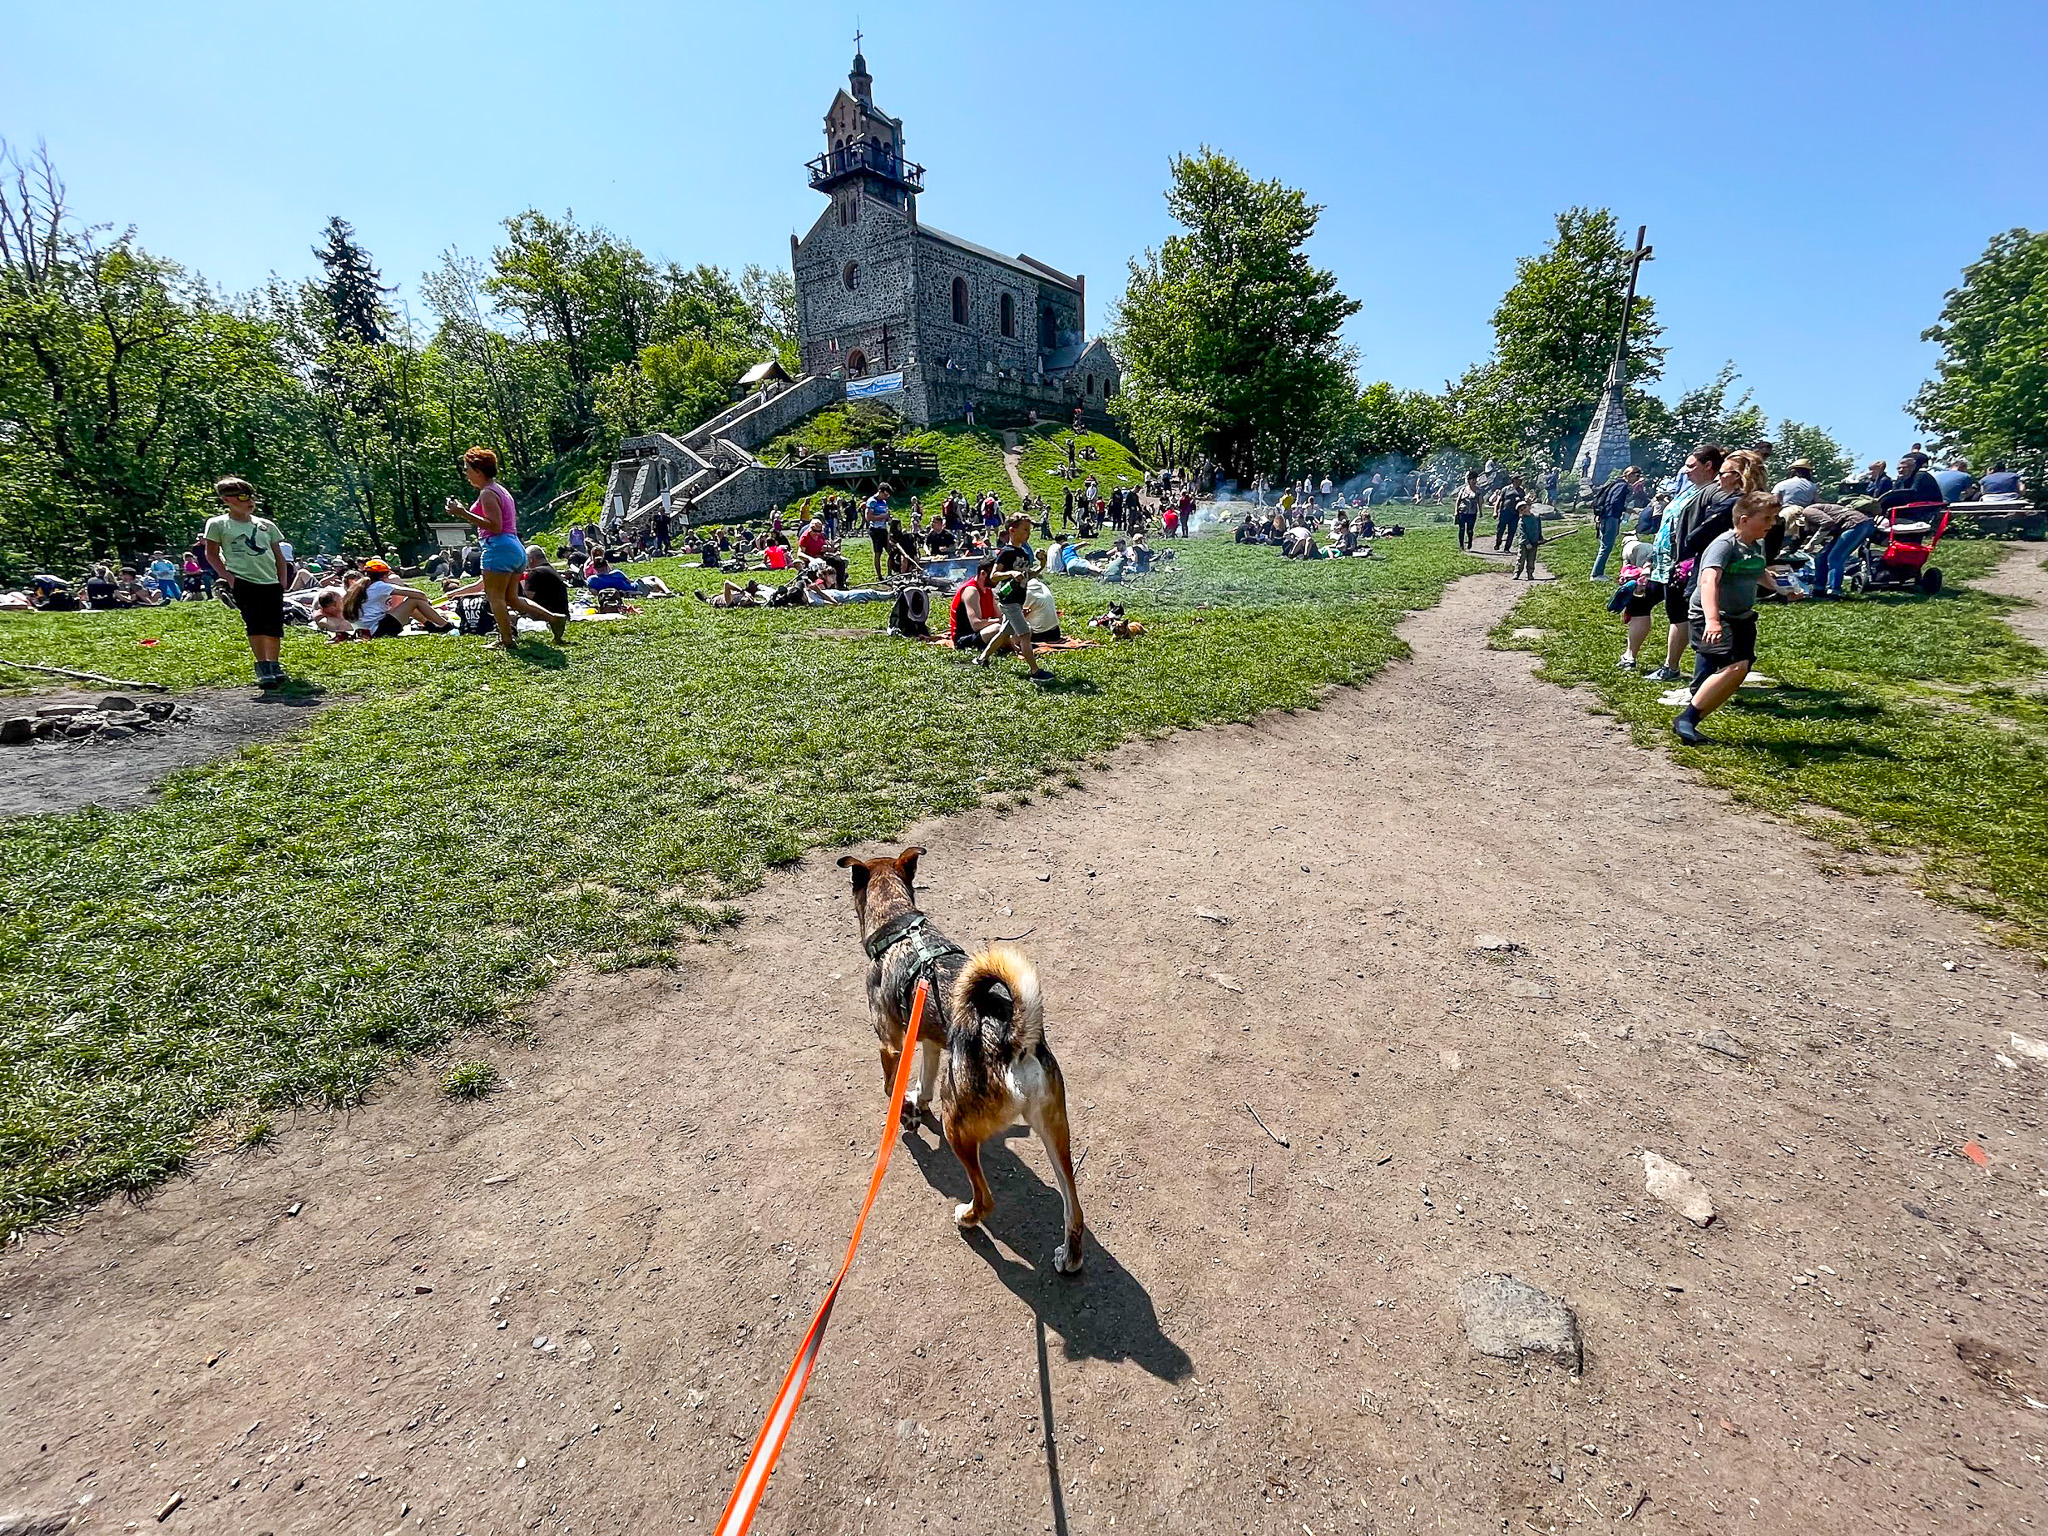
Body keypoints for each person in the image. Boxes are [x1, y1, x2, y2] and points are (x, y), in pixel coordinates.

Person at [1673, 492, 1786, 745]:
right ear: (1744, 519)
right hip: (1712, 614)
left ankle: (1691, 715)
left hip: (1742, 616)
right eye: (1766, 518)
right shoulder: (1724, 544)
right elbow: (1709, 580)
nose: (1772, 523)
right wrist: (1712, 621)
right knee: (1735, 666)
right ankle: (1687, 719)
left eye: (1774, 517)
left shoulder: (1757, 544)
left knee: (1736, 670)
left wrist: (1783, 590)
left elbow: (1757, 572)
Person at [444, 447, 566, 646]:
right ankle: (554, 618)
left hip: (499, 548)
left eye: (467, 469)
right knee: (512, 599)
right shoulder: (500, 489)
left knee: (495, 597)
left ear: (478, 471)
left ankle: (506, 640)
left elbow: (495, 525)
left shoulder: (487, 493)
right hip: (514, 548)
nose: (465, 474)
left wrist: (462, 512)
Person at [1643, 445, 1728, 684]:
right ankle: (1673, 666)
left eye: (1691, 466)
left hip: (1687, 563)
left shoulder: (1713, 492)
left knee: (1681, 614)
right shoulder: (1690, 489)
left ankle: (1677, 668)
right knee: (1672, 611)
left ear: (1709, 466)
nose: (1686, 471)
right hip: (1668, 561)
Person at [204, 475, 292, 688]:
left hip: (270, 582)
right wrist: (230, 579)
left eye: (251, 496)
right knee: (256, 624)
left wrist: (282, 579)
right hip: (244, 581)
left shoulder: (266, 525)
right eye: (243, 496)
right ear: (227, 500)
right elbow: (212, 555)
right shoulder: (218, 524)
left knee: (274, 625)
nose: (249, 501)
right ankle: (262, 666)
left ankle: (274, 664)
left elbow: (278, 554)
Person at [978, 547, 1051, 682]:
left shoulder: (1023, 553)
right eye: (1024, 529)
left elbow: (1030, 575)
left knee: (1004, 633)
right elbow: (994, 576)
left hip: (1017, 602)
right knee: (1024, 634)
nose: (1027, 533)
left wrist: (1042, 564)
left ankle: (982, 658)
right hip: (1009, 602)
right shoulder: (1006, 553)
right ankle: (1034, 671)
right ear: (1012, 530)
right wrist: (1011, 573)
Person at [343, 559, 455, 637]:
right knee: (414, 601)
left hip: (362, 629)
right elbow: (420, 595)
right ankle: (446, 625)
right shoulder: (379, 586)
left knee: (408, 605)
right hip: (376, 630)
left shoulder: (358, 586)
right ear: (385, 575)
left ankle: (431, 626)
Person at [1591, 468, 1639, 579]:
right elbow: (1614, 503)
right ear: (1630, 475)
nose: (1637, 479)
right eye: (1636, 476)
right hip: (1611, 517)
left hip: (1605, 516)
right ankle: (1596, 574)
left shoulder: (1615, 483)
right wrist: (1626, 510)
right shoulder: (1622, 486)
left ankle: (1598, 573)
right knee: (1606, 546)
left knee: (1605, 545)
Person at [864, 484, 893, 581]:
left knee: (891, 551)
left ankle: (890, 573)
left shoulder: (884, 502)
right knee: (878, 553)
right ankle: (879, 576)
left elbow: (886, 515)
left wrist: (888, 518)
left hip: (884, 529)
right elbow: (868, 517)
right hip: (875, 530)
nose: (886, 497)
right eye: (885, 495)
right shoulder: (872, 501)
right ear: (880, 491)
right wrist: (882, 516)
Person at [1492, 476, 1527, 553]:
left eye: (1521, 480)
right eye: (1519, 480)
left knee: (1512, 531)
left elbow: (1523, 503)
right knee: (1500, 530)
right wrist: (1495, 511)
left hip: (1515, 514)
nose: (1520, 481)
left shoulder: (1521, 491)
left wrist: (1523, 513)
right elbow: (1498, 501)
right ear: (1514, 480)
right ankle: (1498, 542)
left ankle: (1507, 548)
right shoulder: (1506, 489)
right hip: (1504, 513)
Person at [1514, 499, 1545, 579]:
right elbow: (1522, 533)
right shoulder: (1522, 521)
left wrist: (1540, 538)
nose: (1524, 510)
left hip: (1534, 542)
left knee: (1531, 559)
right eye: (1521, 510)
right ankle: (1517, 573)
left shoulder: (1536, 517)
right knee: (1521, 558)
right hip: (1524, 543)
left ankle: (1530, 573)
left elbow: (1539, 529)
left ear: (1529, 506)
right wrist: (1526, 543)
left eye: (1525, 507)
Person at [1453, 470, 1482, 551]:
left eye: (1475, 479)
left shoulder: (1478, 490)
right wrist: (1456, 511)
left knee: (1470, 530)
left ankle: (1469, 541)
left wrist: (1480, 512)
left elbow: (1479, 502)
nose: (1474, 481)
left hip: (1472, 513)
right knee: (1461, 529)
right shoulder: (1463, 490)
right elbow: (1458, 501)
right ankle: (1461, 545)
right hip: (1462, 512)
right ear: (1469, 480)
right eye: (1472, 480)